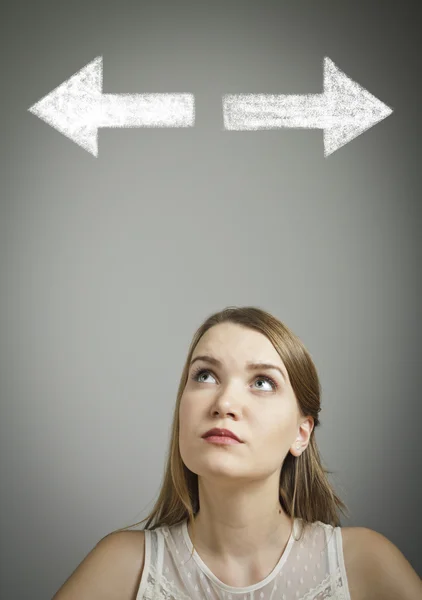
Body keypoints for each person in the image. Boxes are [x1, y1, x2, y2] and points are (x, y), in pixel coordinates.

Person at [53, 306, 422, 599]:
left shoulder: (364, 565)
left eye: (262, 382)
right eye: (205, 376)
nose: (224, 402)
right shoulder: (123, 568)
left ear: (301, 432)